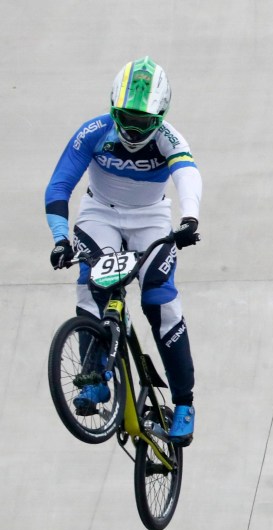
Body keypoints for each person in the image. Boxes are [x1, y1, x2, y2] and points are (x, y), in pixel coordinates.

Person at [45, 56, 202, 443]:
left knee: (160, 303)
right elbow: (59, 187)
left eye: (143, 121)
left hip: (150, 219)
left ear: (161, 115)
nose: (132, 127)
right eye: (125, 117)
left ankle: (184, 401)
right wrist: (61, 238)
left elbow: (187, 175)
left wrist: (190, 220)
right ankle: (94, 379)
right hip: (99, 213)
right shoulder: (94, 131)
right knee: (91, 286)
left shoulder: (170, 138)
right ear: (112, 106)